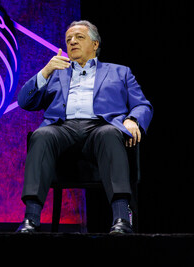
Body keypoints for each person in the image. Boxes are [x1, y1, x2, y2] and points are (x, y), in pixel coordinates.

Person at [16, 20, 153, 233]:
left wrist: (133, 119)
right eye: (68, 39)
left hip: (100, 127)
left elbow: (142, 105)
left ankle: (122, 220)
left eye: (79, 37)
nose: (72, 42)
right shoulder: (56, 73)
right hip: (63, 128)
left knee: (109, 133)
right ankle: (30, 220)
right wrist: (45, 71)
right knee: (41, 135)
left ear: (95, 44)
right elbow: (25, 101)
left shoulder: (120, 72)